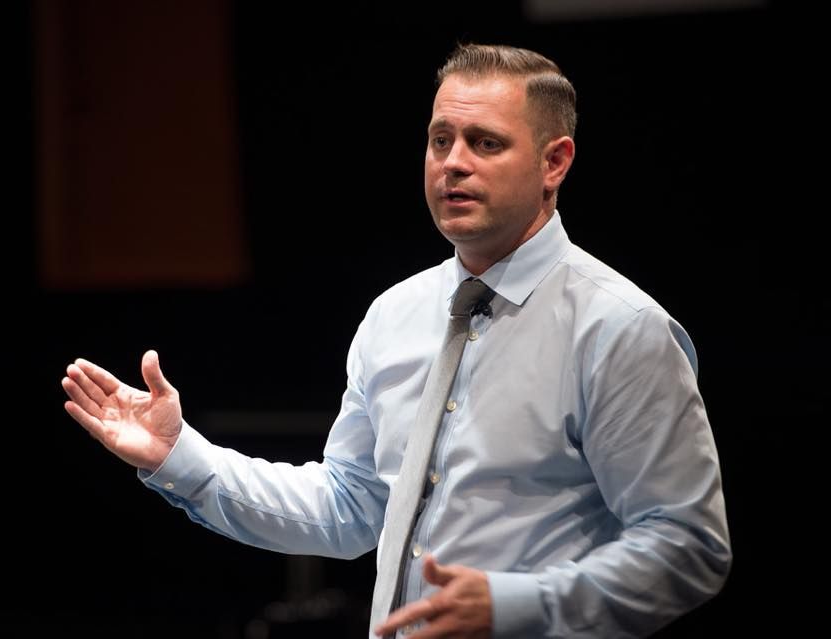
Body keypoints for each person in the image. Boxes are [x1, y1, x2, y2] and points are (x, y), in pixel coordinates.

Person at [62, 44, 731, 638]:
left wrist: (515, 605)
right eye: (441, 140)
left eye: (485, 143)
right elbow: (349, 507)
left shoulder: (619, 328)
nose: (453, 163)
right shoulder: (396, 314)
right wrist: (181, 456)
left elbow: (686, 545)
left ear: (554, 162)